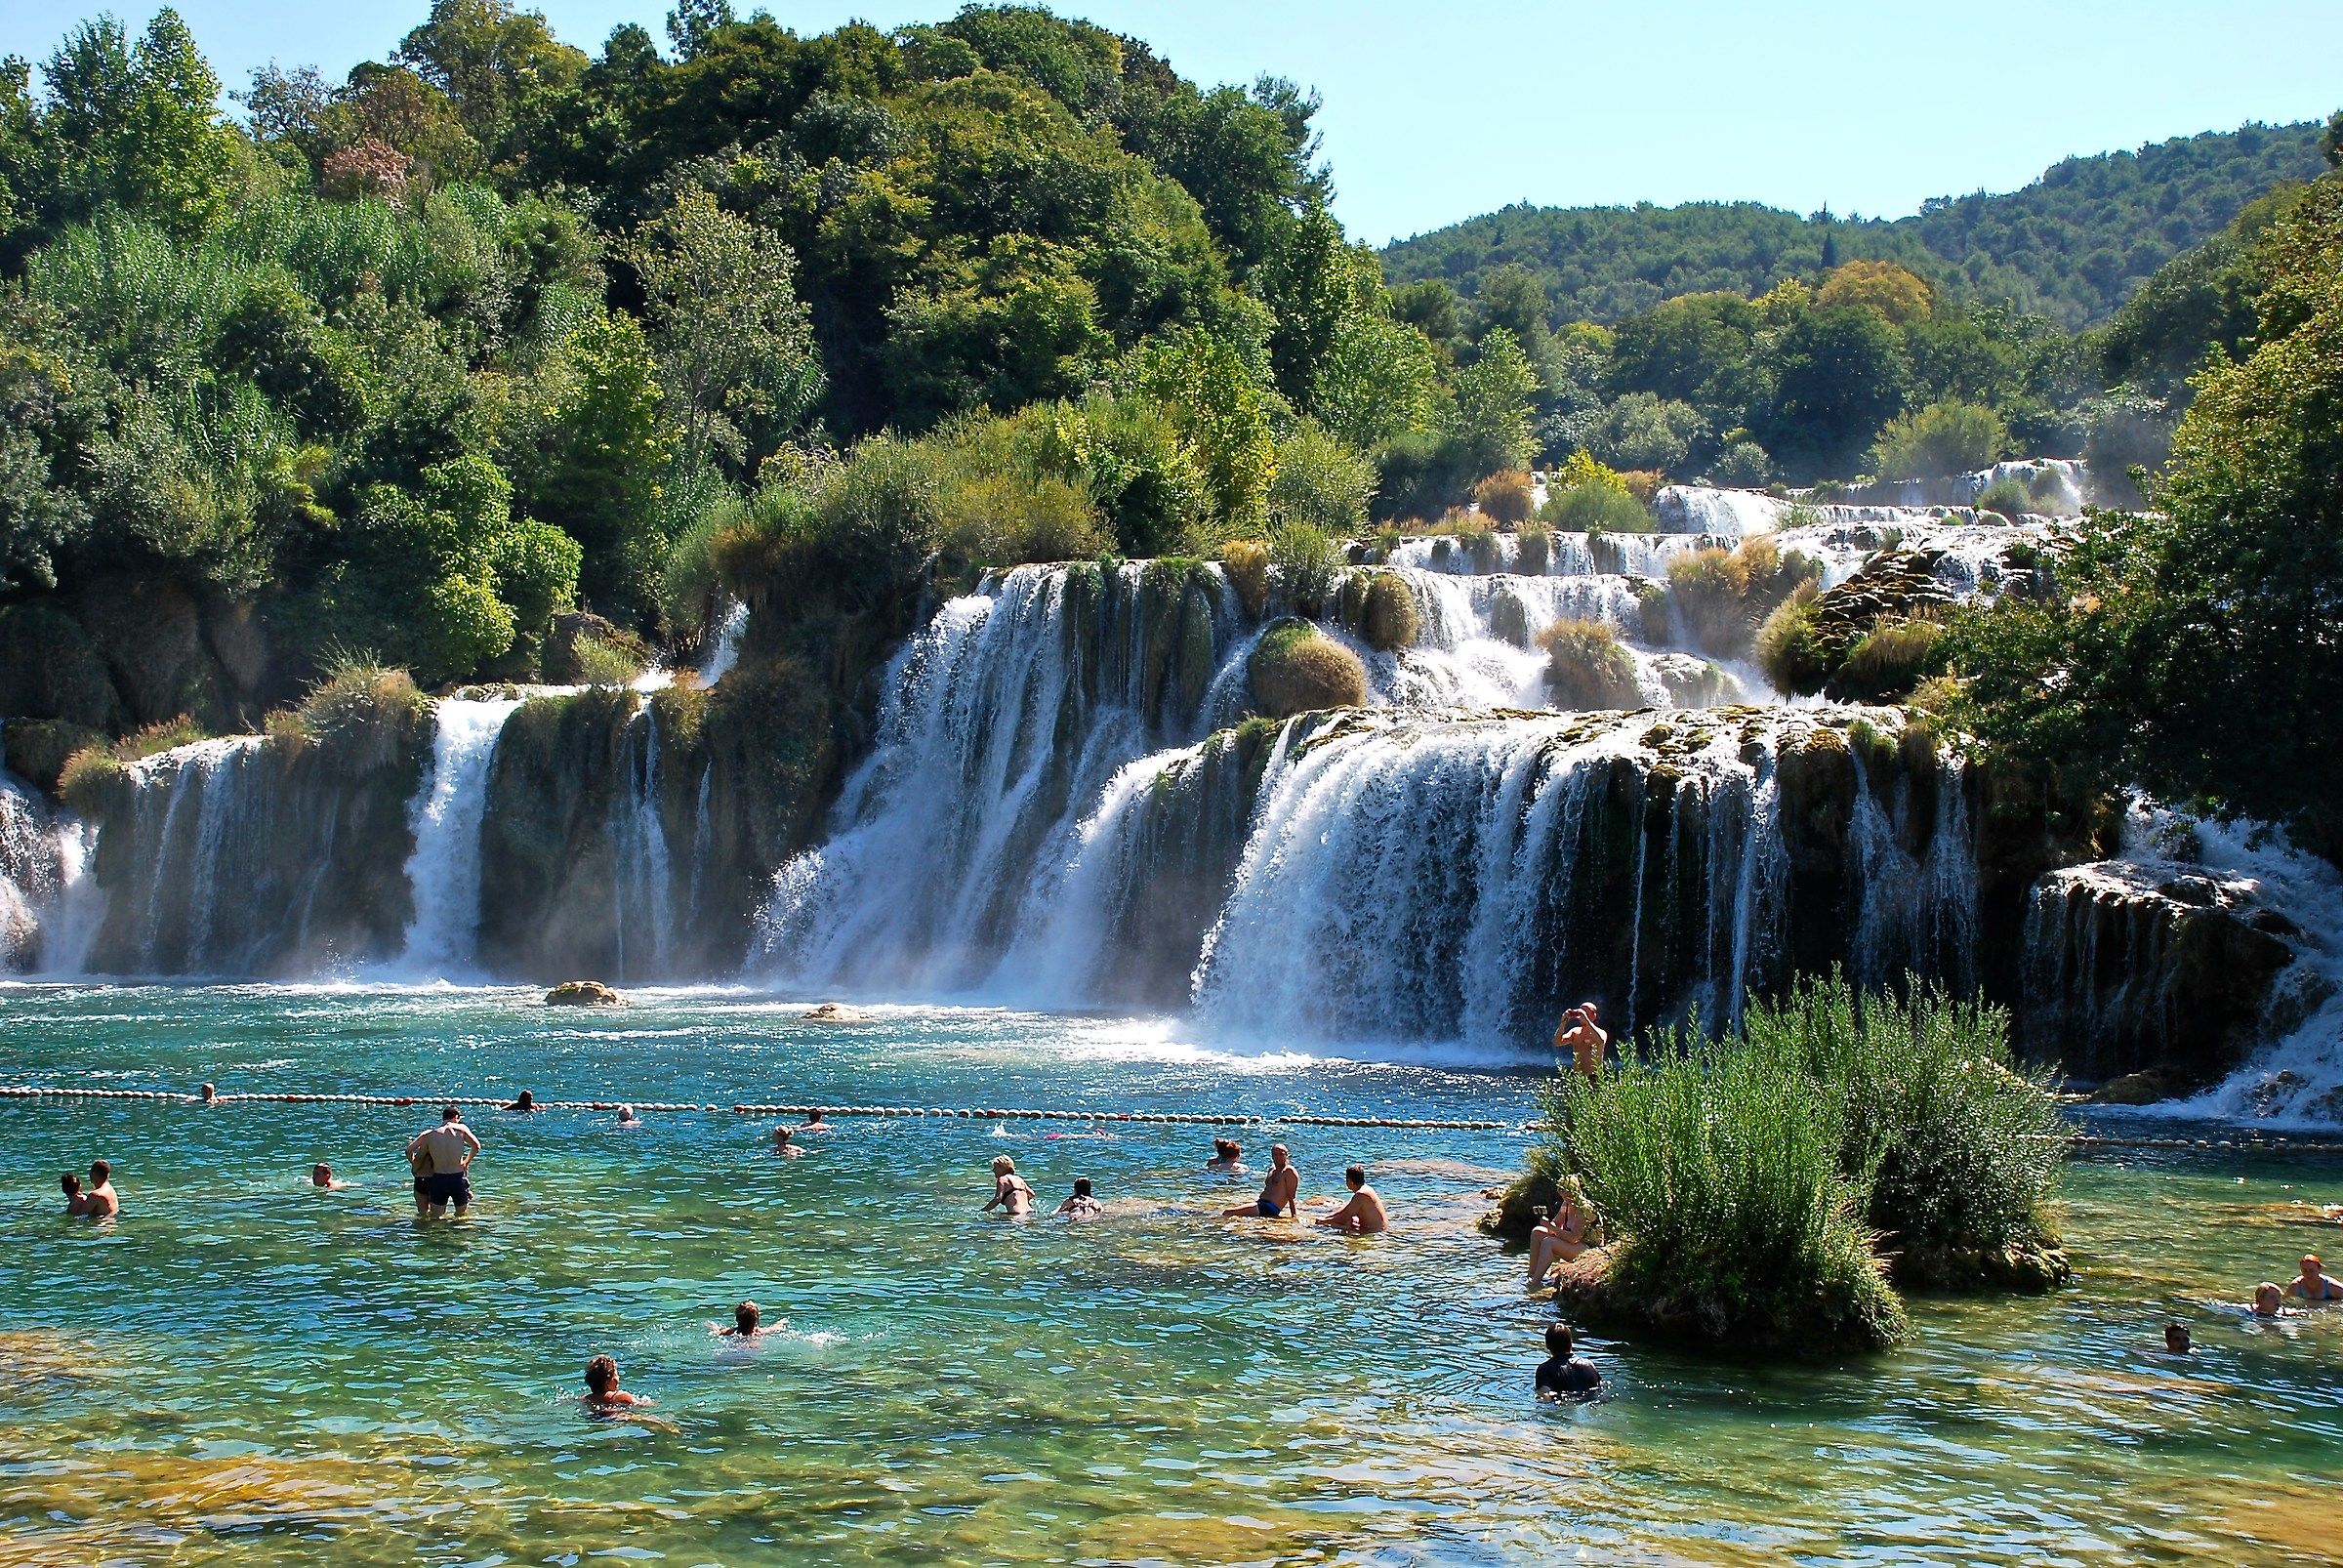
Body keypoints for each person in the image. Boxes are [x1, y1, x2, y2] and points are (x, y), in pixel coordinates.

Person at [406, 1105, 480, 1218]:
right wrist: (466, 1162)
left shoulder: (430, 1135)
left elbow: (419, 1155)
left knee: (436, 1216)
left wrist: (415, 1168)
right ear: (456, 1117)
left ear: (443, 1118)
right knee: (461, 1215)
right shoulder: (461, 1129)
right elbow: (476, 1146)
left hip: (439, 1178)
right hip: (457, 1177)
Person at [1528, 1179, 1594, 1288]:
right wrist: (1548, 1224)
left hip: (1588, 1248)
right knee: (1537, 1232)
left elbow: (1574, 1238)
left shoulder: (1583, 1208)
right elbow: (1556, 1223)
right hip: (1573, 1244)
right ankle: (1531, 1274)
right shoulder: (1566, 1204)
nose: (1568, 1197)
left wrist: (1551, 1228)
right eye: (1564, 1193)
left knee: (1549, 1242)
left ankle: (1535, 1282)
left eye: (1570, 1193)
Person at [1222, 1143, 1299, 1219]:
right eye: (1275, 1154)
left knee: (1228, 1212)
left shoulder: (1288, 1171)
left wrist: (1294, 1216)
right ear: (1272, 1156)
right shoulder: (1272, 1170)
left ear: (1286, 1155)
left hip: (1269, 1207)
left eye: (1281, 1154)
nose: (1278, 1157)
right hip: (1261, 1203)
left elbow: (1291, 1196)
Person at [1314, 1165, 1388, 1235]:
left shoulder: (1361, 1194)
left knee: (1337, 1224)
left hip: (1374, 1231)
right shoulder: (1367, 1189)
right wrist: (1327, 1217)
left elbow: (1344, 1217)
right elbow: (1346, 1209)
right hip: (1378, 1228)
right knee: (1349, 1221)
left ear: (1350, 1181)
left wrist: (1324, 1221)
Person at [1536, 1323, 1602, 1398]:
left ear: (1547, 1345)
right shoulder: (1589, 1365)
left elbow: (1545, 1396)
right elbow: (1600, 1390)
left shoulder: (1544, 1369)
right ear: (1571, 1342)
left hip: (1562, 1403)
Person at [1553, 1004, 1607, 1078]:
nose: (1582, 1015)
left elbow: (1600, 1040)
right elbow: (1556, 1042)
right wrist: (1563, 1022)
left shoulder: (1601, 1032)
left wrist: (1587, 1020)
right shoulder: (1575, 1032)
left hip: (1593, 1077)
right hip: (1577, 1077)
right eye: (1581, 1012)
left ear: (1594, 1015)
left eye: (1586, 1012)